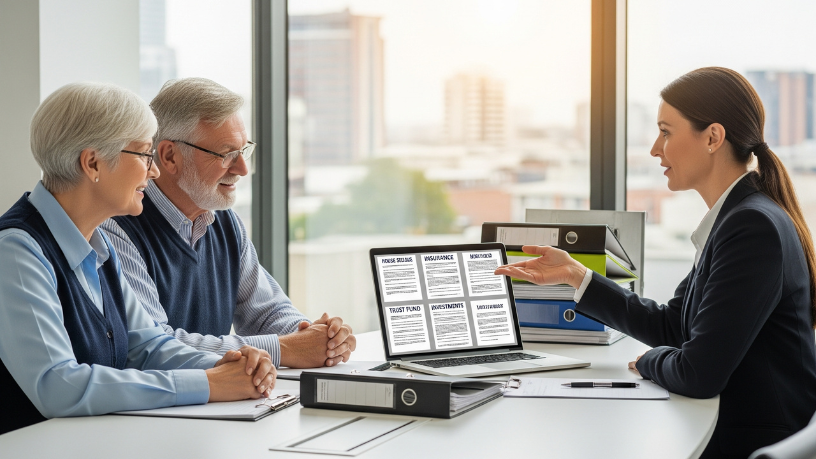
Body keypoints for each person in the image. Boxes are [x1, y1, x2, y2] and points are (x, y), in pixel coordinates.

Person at [495, 67, 816, 458]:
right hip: (737, 423)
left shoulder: (751, 226)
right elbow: (673, 325)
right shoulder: (737, 218)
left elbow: (699, 374)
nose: (654, 149)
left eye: (666, 131)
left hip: (748, 437)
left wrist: (649, 361)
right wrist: (578, 276)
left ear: (713, 137)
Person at [0, 82, 277, 435]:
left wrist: (231, 367)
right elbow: (58, 386)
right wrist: (209, 384)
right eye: (145, 155)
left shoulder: (98, 245)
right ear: (93, 162)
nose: (154, 170)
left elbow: (149, 347)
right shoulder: (16, 250)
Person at [100, 78, 355, 369]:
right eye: (226, 154)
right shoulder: (116, 227)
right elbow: (157, 346)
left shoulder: (223, 220)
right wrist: (285, 349)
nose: (242, 168)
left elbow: (266, 312)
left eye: (243, 150)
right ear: (170, 156)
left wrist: (317, 336)